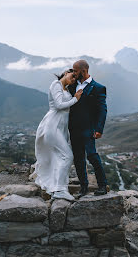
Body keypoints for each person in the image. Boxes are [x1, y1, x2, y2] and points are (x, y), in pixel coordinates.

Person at [34, 69, 83, 201]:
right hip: (53, 125)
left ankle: (59, 188)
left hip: (61, 127)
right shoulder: (55, 84)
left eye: (75, 79)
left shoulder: (65, 88)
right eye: (73, 76)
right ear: (66, 72)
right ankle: (60, 190)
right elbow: (59, 105)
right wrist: (75, 99)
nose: (73, 80)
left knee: (59, 157)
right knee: (67, 156)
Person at [68, 60, 109, 197]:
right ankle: (83, 188)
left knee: (92, 155)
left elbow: (102, 110)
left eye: (75, 70)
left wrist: (99, 129)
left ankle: (102, 185)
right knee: (78, 158)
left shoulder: (98, 88)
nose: (73, 73)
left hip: (89, 128)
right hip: (74, 129)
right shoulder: (72, 86)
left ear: (83, 71)